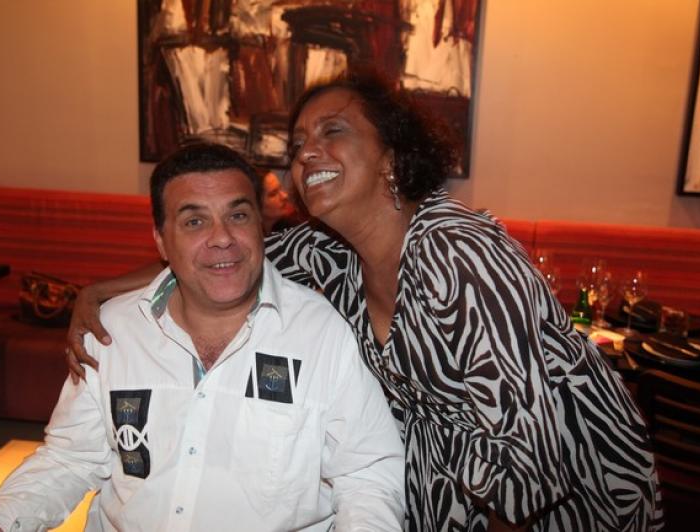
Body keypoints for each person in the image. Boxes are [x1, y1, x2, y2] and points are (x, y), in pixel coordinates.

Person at [65, 75, 663, 531]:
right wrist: (102, 291)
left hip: (568, 504)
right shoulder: (329, 254)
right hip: (444, 501)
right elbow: (222, 256)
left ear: (392, 156)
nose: (306, 153)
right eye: (298, 144)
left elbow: (531, 467)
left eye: (333, 132)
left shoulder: (460, 253)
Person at [0, 142, 405, 532]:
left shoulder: (320, 333)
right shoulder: (113, 331)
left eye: (238, 215)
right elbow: (70, 458)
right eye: (194, 221)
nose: (222, 237)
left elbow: (367, 474)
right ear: (160, 240)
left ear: (261, 226)